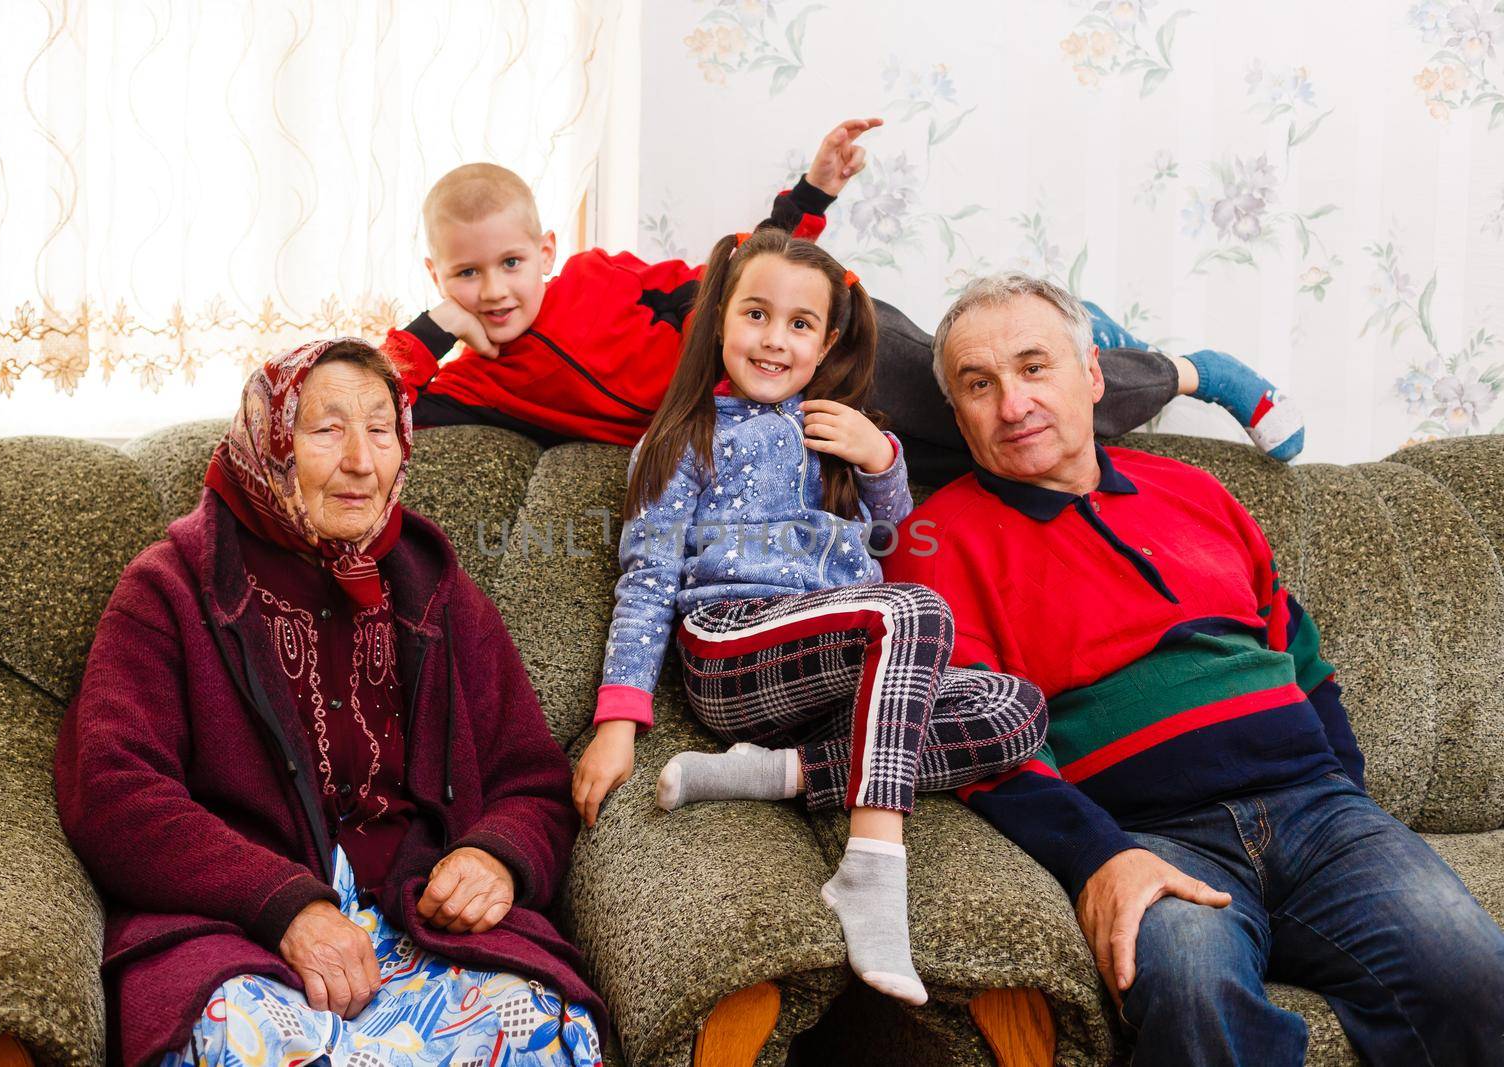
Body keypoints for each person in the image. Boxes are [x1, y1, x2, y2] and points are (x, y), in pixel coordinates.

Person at [883, 271, 1504, 1064]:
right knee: (1194, 993)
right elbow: (973, 738)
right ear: (958, 410)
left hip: (1319, 813)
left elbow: (1302, 654)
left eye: (1035, 367)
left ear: (1092, 376)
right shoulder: (933, 541)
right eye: (980, 383)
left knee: (1474, 975)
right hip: (1152, 837)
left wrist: (1347, 795)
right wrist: (1098, 857)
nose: (1013, 403)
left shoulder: (1194, 489)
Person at [55, 339, 603, 1067]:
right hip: (243, 934)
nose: (361, 460)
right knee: (240, 1040)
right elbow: (113, 791)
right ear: (268, 444)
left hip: (421, 919)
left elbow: (530, 776)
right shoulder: (172, 589)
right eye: (325, 430)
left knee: (549, 1026)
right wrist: (281, 899)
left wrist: (495, 857)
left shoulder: (434, 588)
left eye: (381, 430)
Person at [573, 227, 1050, 1007]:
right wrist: (618, 719)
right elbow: (648, 577)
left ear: (827, 341)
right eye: (756, 315)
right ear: (720, 318)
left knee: (1016, 708)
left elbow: (894, 536)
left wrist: (879, 459)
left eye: (799, 325)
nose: (773, 340)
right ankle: (871, 867)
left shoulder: (838, 430)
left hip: (834, 664)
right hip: (730, 650)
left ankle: (778, 772)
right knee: (915, 613)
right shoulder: (685, 438)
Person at [381, 119, 1304, 487]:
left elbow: (745, 271)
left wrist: (810, 196)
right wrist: (435, 336)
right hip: (789, 411)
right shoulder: (483, 386)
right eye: (467, 277)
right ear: (437, 277)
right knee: (981, 469)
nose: (494, 291)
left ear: (546, 250)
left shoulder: (601, 280)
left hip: (830, 338)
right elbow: (367, 402)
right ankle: (1073, 326)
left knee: (996, 407)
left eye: (510, 262)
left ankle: (1188, 369)